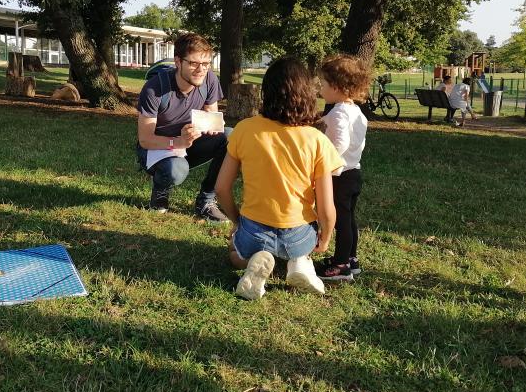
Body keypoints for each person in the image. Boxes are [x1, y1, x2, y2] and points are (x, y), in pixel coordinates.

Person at [215, 57, 344, 300]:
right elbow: (327, 207)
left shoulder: (244, 129)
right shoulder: (317, 140)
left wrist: (236, 222)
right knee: (301, 247)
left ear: (266, 93)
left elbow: (221, 188)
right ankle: (300, 262)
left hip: (253, 229)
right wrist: (324, 240)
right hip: (299, 235)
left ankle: (253, 260)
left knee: (234, 252)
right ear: (307, 94)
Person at [136, 33, 230, 222]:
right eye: (194, 63)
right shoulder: (154, 88)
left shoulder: (209, 79)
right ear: (178, 62)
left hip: (187, 141)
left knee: (231, 137)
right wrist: (178, 141)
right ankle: (160, 190)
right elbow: (145, 139)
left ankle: (206, 201)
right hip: (157, 148)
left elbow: (211, 116)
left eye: (206, 64)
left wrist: (210, 127)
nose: (201, 70)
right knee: (177, 169)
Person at [315, 54, 370, 281]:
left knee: (340, 221)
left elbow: (340, 143)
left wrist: (326, 162)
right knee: (349, 220)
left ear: (336, 87)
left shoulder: (338, 113)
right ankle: (351, 258)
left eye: (324, 84)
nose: (321, 88)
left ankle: (340, 266)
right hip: (354, 171)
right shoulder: (355, 111)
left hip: (340, 174)